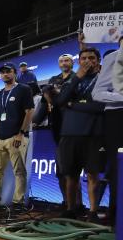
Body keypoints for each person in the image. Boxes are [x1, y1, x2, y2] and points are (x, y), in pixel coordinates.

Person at [56, 47, 104, 222]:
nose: (87, 61)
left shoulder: (103, 80)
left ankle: (92, 211)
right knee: (70, 174)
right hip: (69, 134)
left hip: (93, 134)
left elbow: (100, 107)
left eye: (91, 58)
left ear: (98, 61)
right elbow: (60, 101)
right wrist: (77, 78)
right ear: (79, 61)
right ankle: (71, 209)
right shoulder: (72, 81)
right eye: (83, 58)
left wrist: (73, 105)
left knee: (92, 174)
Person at [0, 62, 35, 212]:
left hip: (16, 136)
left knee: (19, 171)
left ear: (14, 73)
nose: (5, 74)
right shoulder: (0, 94)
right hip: (0, 138)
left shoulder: (23, 89)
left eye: (8, 71)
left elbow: (29, 112)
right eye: (3, 72)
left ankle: (18, 202)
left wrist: (21, 133)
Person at [32, 53, 77, 209]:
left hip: (75, 127)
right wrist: (35, 121)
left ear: (72, 63)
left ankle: (76, 205)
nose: (64, 63)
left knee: (73, 171)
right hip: (57, 129)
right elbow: (44, 103)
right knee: (61, 171)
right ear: (59, 64)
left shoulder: (77, 78)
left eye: (67, 60)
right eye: (62, 61)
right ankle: (66, 202)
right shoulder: (53, 80)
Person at [92, 39, 123, 223]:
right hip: (117, 117)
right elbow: (98, 93)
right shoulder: (113, 58)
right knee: (119, 166)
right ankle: (115, 213)